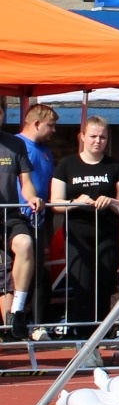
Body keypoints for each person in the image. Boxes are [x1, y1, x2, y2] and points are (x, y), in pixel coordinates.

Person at [51, 117, 119, 339]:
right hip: (78, 235)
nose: (98, 141)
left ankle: (100, 335)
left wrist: (112, 202)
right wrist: (76, 202)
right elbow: (55, 202)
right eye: (93, 136)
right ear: (82, 137)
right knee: (82, 285)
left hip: (107, 234)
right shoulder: (67, 164)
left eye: (103, 137)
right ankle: (82, 336)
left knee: (104, 285)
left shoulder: (116, 167)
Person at [12, 105, 57, 340]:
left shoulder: (46, 151)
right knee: (15, 274)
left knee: (40, 274)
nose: (54, 130)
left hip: (40, 218)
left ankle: (37, 325)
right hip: (17, 217)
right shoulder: (17, 145)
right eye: (51, 125)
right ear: (37, 123)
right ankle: (14, 325)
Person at [0, 127, 44, 341]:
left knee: (25, 243)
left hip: (9, 215)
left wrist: (32, 197)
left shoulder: (15, 144)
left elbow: (26, 184)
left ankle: (17, 313)